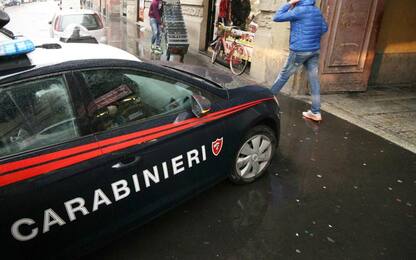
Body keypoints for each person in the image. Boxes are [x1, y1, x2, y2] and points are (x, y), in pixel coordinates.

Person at [271, 0, 328, 122]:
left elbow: (276, 17)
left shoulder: (298, 10)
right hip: (314, 50)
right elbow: (324, 28)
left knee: (283, 75)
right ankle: (316, 112)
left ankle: (266, 99)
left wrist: (290, 3)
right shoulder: (316, 10)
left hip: (299, 50)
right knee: (313, 79)